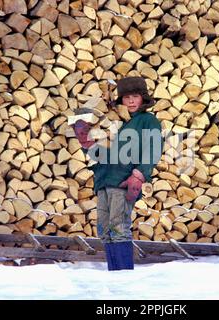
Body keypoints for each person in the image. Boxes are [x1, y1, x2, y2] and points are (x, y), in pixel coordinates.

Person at [73, 77, 163, 271]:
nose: (131, 101)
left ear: (143, 98)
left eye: (135, 96)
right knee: (105, 231)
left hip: (124, 181)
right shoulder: (117, 123)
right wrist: (87, 143)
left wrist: (139, 175)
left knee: (119, 229)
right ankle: (115, 277)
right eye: (127, 97)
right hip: (105, 180)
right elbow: (104, 156)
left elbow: (154, 148)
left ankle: (124, 279)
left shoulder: (148, 121)